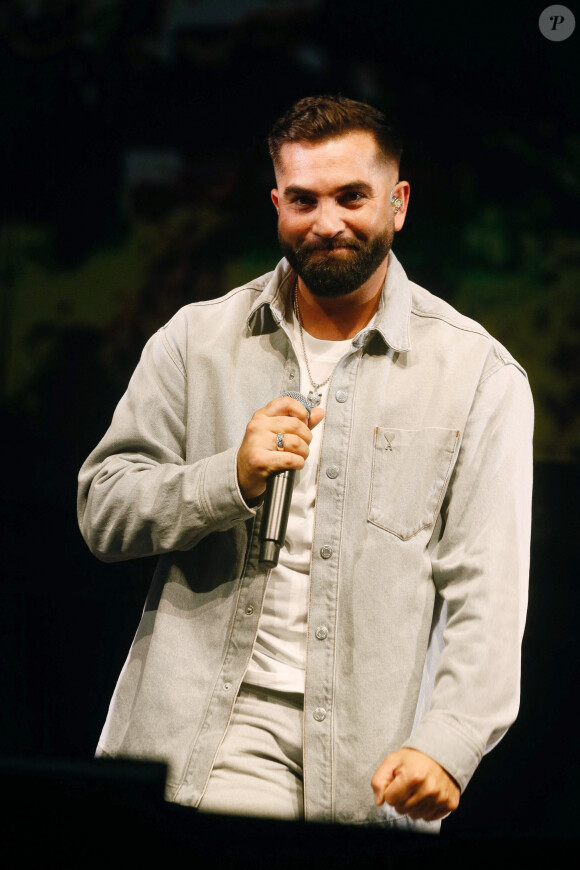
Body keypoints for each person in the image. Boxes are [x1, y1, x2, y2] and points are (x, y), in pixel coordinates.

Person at [77, 95, 533, 832]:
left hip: (365, 765)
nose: (328, 223)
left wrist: (448, 744)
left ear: (398, 202)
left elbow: (487, 587)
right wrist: (228, 478)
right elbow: (102, 510)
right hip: (189, 744)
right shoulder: (195, 342)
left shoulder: (478, 373)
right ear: (277, 204)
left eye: (352, 196)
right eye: (304, 200)